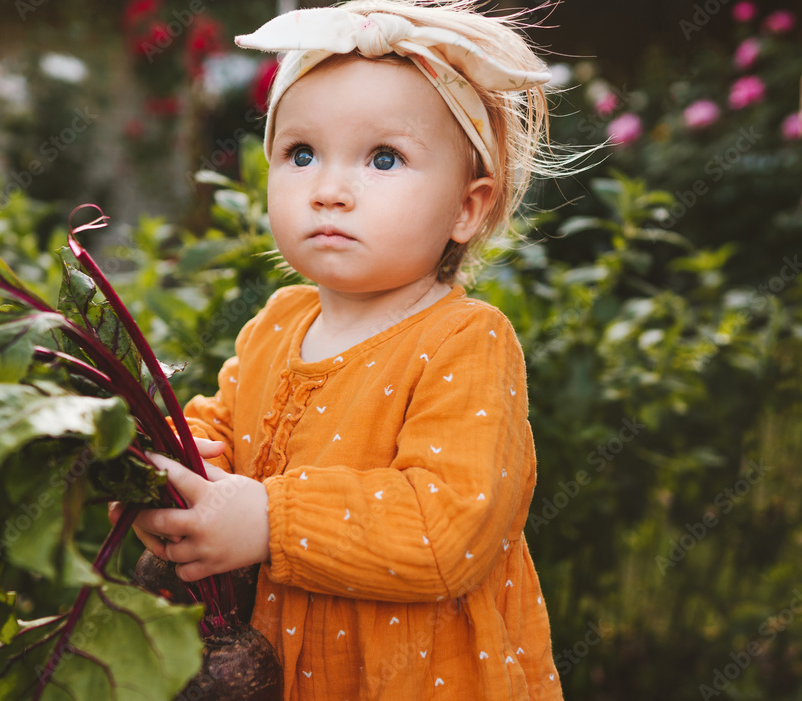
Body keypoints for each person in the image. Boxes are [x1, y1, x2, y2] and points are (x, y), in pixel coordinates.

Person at [117, 1, 573, 697]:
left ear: (467, 208)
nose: (329, 190)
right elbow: (227, 419)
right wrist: (187, 465)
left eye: (383, 158)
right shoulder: (280, 320)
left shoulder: (465, 341)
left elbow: (446, 528)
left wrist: (269, 520)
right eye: (301, 154)